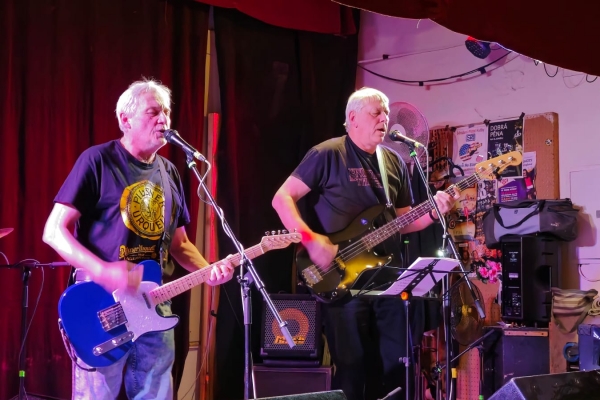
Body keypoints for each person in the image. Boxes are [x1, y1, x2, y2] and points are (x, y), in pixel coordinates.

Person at [42, 79, 234, 399]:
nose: (164, 119)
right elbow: (53, 231)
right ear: (125, 119)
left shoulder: (169, 172)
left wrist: (208, 270)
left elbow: (180, 244)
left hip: (154, 305)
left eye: (166, 112)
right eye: (153, 112)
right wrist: (103, 270)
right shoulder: (98, 160)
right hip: (102, 305)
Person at [272, 87, 457, 400]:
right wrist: (311, 240)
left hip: (388, 283)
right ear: (353, 118)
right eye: (377, 112)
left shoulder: (394, 162)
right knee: (353, 373)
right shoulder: (327, 154)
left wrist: (433, 212)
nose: (385, 118)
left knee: (396, 370)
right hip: (341, 280)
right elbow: (282, 198)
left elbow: (403, 220)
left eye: (386, 113)